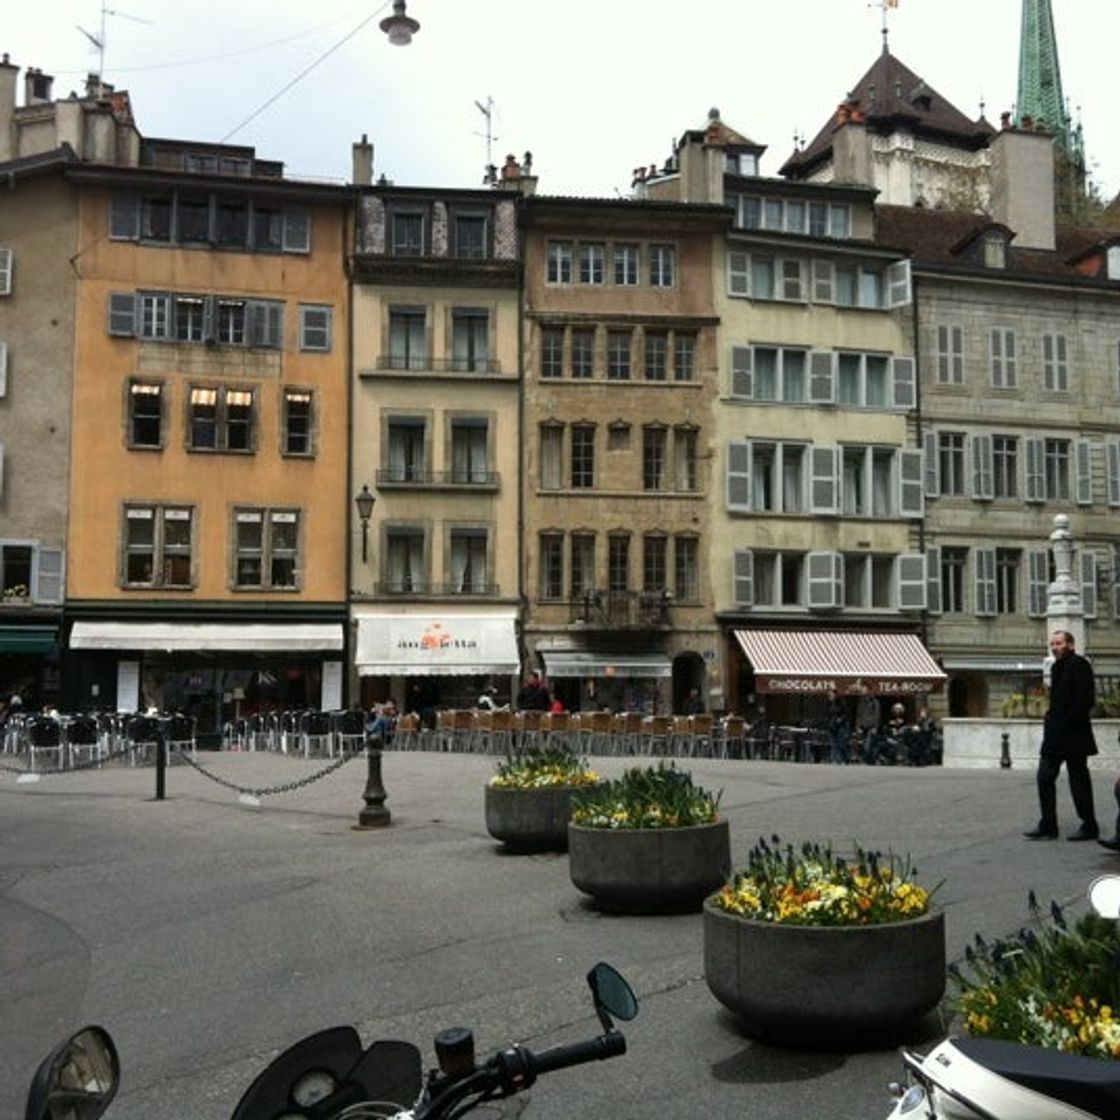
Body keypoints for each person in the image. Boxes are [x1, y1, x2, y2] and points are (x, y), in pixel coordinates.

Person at [1024, 630, 1100, 841]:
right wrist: (1051, 718)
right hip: (1056, 735)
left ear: (1071, 645)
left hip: (1074, 734)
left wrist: (1066, 719)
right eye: (1052, 644)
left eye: (1058, 643)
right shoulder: (1057, 667)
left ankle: (1089, 825)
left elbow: (1086, 699)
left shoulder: (1080, 664)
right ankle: (1048, 824)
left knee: (1079, 781)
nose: (1054, 647)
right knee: (1044, 777)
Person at [856, 683, 881, 763]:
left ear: (868, 690)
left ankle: (868, 760)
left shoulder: (874, 701)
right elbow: (859, 714)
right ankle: (868, 759)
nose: (862, 690)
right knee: (862, 744)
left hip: (871, 726)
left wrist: (875, 727)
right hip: (863, 726)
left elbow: (877, 715)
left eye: (863, 689)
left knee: (868, 744)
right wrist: (858, 726)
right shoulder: (862, 701)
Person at [827, 690, 850, 764]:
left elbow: (846, 713)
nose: (829, 696)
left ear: (835, 695)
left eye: (831, 694)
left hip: (840, 726)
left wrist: (841, 719)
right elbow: (827, 714)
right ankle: (835, 759)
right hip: (831, 726)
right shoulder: (829, 703)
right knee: (833, 744)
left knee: (841, 743)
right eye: (828, 695)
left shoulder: (841, 702)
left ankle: (845, 758)